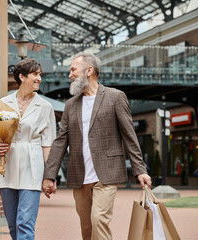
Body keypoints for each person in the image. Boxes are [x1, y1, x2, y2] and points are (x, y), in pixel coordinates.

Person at [42, 52, 151, 240]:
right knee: (87, 226)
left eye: (73, 70)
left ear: (89, 70)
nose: (70, 75)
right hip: (79, 175)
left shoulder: (115, 97)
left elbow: (129, 135)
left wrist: (140, 169)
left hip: (106, 173)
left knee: (99, 219)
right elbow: (61, 141)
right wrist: (49, 175)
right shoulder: (70, 105)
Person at [0, 58, 56, 240]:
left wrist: (49, 176)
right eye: (35, 74)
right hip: (8, 167)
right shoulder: (3, 104)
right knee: (13, 224)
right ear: (22, 76)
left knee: (24, 223)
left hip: (32, 165)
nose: (39, 79)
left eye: (40, 75)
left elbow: (47, 143)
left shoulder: (45, 107)